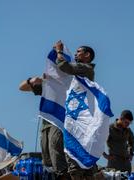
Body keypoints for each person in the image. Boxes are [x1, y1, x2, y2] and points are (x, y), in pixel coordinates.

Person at [54, 40, 97, 180]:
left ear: (87, 55)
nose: (76, 54)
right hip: (77, 119)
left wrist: (59, 51)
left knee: (76, 160)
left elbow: (63, 66)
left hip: (80, 122)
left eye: (79, 52)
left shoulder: (85, 68)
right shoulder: (81, 72)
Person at [19, 76, 69, 180]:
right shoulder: (47, 84)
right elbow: (22, 87)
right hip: (46, 126)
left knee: (57, 158)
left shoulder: (66, 82)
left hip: (59, 123)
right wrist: (32, 80)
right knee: (47, 162)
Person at [103, 110, 134, 174]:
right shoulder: (110, 128)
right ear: (121, 119)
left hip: (126, 163)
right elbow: (99, 142)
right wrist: (106, 156)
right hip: (114, 163)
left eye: (129, 123)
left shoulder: (128, 130)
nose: (128, 125)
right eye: (126, 122)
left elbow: (132, 142)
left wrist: (131, 153)